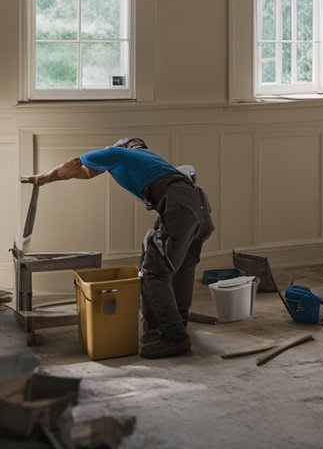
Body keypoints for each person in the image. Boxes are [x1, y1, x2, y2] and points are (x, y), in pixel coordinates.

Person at [21, 137, 214, 359]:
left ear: (122, 146)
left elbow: (71, 167)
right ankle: (173, 322)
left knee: (154, 273)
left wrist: (42, 178)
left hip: (178, 207)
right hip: (198, 207)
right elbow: (86, 173)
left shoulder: (115, 153)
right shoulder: (145, 157)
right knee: (178, 264)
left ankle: (175, 337)